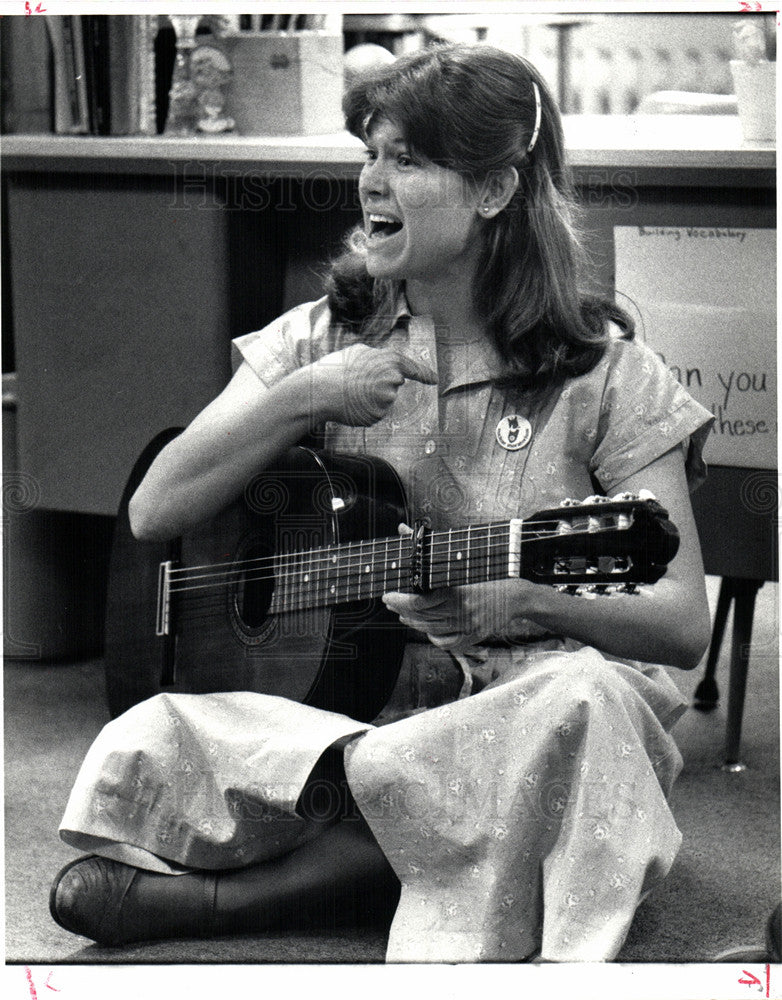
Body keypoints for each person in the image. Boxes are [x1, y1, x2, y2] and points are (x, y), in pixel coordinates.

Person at [50, 44, 714, 963]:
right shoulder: (322, 338)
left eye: (407, 159)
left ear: (492, 191)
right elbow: (157, 511)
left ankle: (230, 900)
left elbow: (682, 623)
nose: (371, 180)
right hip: (355, 714)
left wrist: (522, 599)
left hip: (519, 706)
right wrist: (304, 396)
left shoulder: (609, 375)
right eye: (370, 151)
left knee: (584, 703)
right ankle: (435, 851)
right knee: (165, 728)